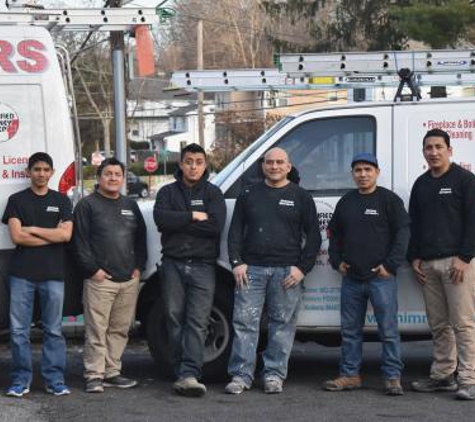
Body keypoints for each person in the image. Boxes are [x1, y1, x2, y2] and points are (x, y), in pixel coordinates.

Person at [225, 147, 321, 394]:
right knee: (245, 324)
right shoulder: (248, 194)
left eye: (280, 162)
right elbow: (235, 231)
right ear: (263, 166)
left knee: (282, 325)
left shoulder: (301, 196)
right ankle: (241, 376)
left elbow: (314, 237)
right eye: (270, 162)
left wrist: (302, 268)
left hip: (286, 273)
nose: (275, 166)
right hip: (251, 270)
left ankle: (274, 375)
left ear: (288, 167)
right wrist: (236, 262)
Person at [323, 152, 409, 396]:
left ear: (377, 172)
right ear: (353, 174)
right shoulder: (346, 202)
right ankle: (350, 375)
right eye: (358, 170)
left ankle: (392, 377)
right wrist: (336, 261)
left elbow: (403, 234)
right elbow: (334, 235)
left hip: (381, 278)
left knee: (389, 331)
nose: (362, 174)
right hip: (351, 279)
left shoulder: (389, 200)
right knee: (350, 332)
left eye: (367, 170)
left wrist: (390, 266)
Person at [154, 143, 226, 397]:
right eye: (188, 161)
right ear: (181, 164)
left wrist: (180, 220)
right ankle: (179, 370)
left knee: (197, 321)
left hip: (203, 266)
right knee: (174, 318)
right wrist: (194, 216)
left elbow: (215, 227)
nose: (193, 166)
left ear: (205, 165)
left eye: (198, 161)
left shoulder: (213, 193)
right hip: (173, 263)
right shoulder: (167, 192)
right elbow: (161, 220)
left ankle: (189, 374)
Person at [408, 128, 475, 400]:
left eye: (438, 147)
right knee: (439, 325)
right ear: (423, 152)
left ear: (450, 150)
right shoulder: (421, 184)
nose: (433, 152)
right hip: (428, 266)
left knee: (463, 323)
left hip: (457, 263)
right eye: (428, 147)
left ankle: (469, 379)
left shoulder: (465, 180)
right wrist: (413, 257)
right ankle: (443, 375)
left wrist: (464, 257)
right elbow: (414, 223)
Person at [1, 152, 73, 397]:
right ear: (28, 172)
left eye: (45, 170)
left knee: (53, 330)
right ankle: (21, 379)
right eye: (36, 169)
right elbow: (17, 237)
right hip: (21, 274)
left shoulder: (62, 200)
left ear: (51, 172)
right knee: (19, 331)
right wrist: (50, 236)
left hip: (53, 275)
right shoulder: (16, 200)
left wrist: (32, 229)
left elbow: (66, 235)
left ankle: (55, 380)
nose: (41, 174)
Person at [73, 157, 147, 393]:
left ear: (123, 178)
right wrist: (94, 271)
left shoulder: (130, 205)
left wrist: (138, 268)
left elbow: (141, 238)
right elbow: (79, 243)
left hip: (128, 280)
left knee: (119, 329)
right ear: (99, 177)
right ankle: (94, 375)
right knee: (97, 330)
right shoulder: (87, 205)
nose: (113, 178)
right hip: (100, 281)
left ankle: (112, 371)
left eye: (117, 174)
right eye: (108, 174)